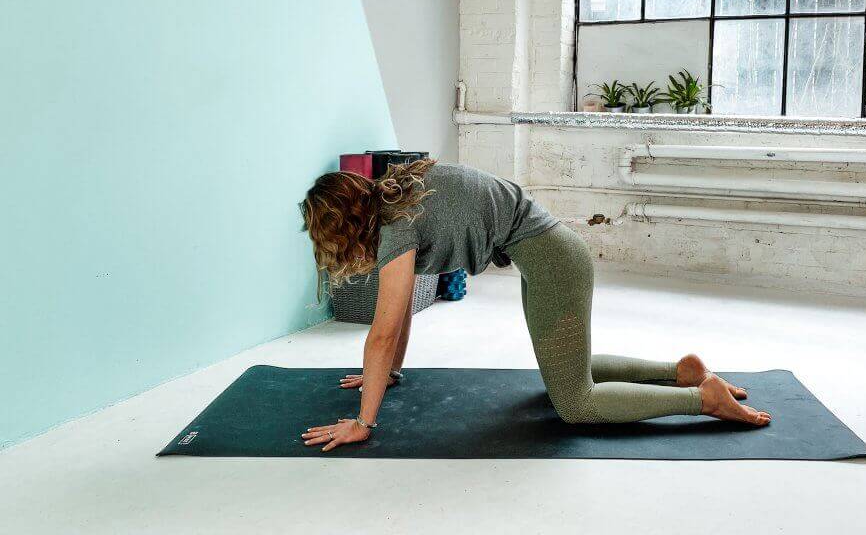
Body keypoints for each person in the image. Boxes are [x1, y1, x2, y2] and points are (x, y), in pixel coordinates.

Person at [298, 160, 770, 452]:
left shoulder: (396, 226)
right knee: (567, 373)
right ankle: (680, 371)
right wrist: (390, 373)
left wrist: (364, 422)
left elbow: (381, 330)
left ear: (344, 224)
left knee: (575, 403)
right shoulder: (401, 193)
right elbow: (396, 315)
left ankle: (701, 399)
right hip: (547, 255)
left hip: (553, 262)